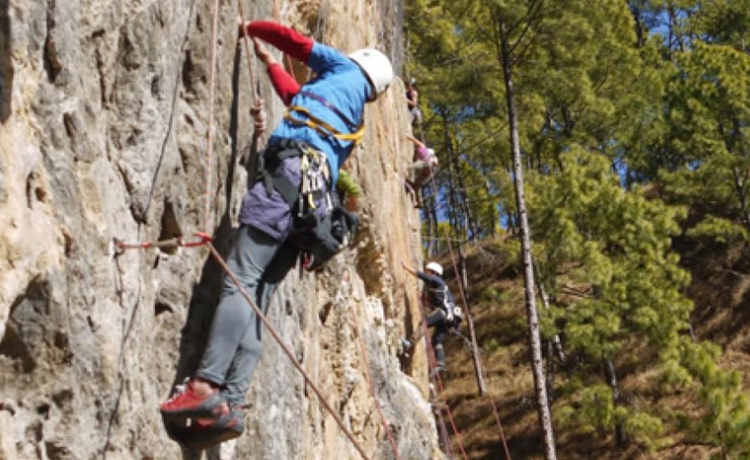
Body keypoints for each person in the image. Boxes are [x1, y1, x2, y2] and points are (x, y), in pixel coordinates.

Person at [159, 19, 393, 447]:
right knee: (260, 299)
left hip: (287, 181)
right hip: (312, 208)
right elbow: (295, 97)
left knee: (241, 279)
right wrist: (268, 63)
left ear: (357, 63)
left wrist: (252, 27)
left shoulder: (340, 69)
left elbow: (297, 43)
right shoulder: (351, 119)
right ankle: (232, 402)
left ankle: (206, 388)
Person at [400, 261, 462, 374]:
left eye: (428, 271)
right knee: (436, 341)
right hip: (449, 319)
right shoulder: (439, 286)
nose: (426, 273)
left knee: (424, 323)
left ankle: (410, 343)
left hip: (443, 313)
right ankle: (441, 364)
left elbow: (421, 275)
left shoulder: (437, 280)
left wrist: (405, 266)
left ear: (434, 272)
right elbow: (434, 300)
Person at [404, 134, 438, 208]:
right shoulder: (423, 152)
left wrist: (407, 136)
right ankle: (419, 202)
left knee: (410, 168)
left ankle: (407, 179)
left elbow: (414, 140)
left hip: (426, 164)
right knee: (416, 186)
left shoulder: (423, 148)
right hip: (426, 172)